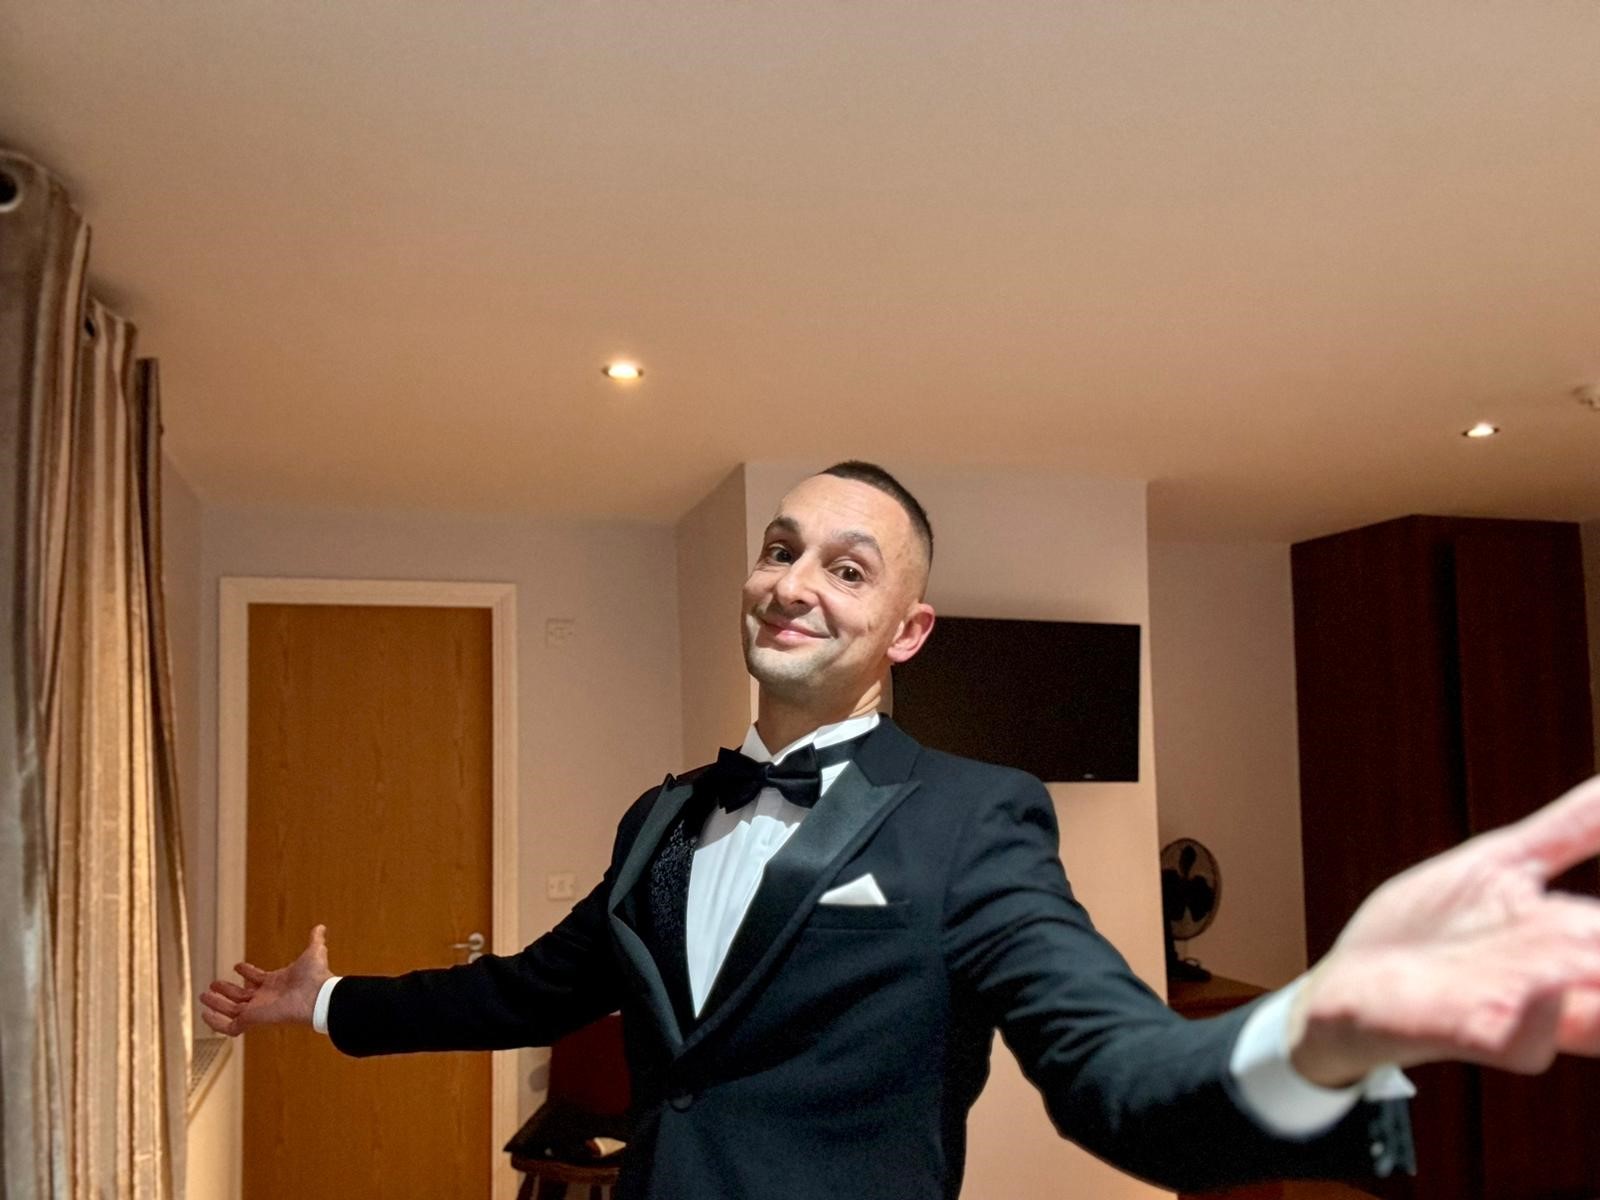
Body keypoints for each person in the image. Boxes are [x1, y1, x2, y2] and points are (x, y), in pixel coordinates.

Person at [201, 461, 1600, 1199]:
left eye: (848, 567)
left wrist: (1317, 1030)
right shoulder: (661, 818)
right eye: (780, 548)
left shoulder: (975, 817)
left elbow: (1113, 1071)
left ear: (907, 631)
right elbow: (524, 990)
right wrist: (319, 1003)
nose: (794, 581)